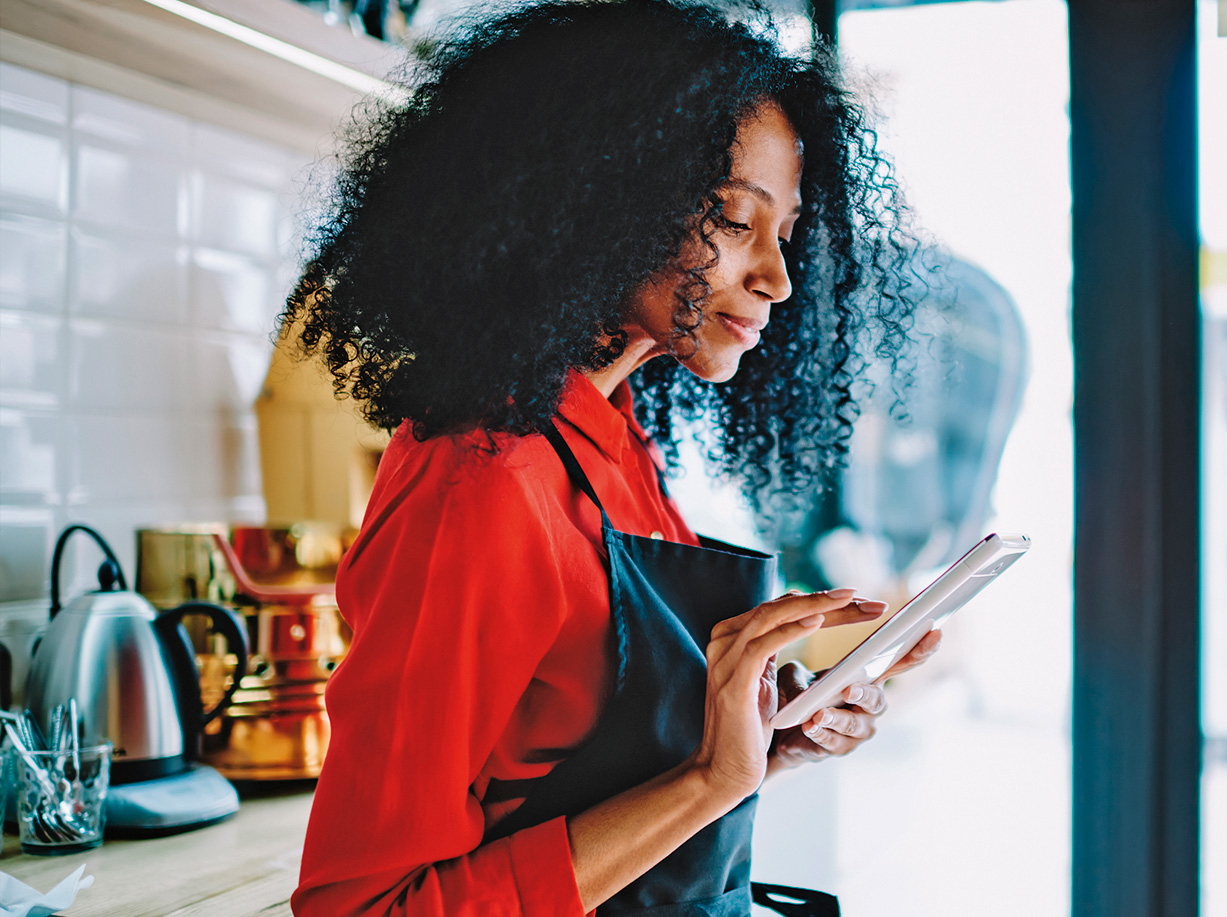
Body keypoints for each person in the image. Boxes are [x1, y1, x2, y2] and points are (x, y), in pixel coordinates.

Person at [286, 1, 932, 914]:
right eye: (733, 220)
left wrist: (760, 744)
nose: (777, 279)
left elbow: (594, 805)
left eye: (781, 234)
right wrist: (708, 779)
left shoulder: (612, 435)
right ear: (600, 196)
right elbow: (363, 906)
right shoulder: (484, 478)